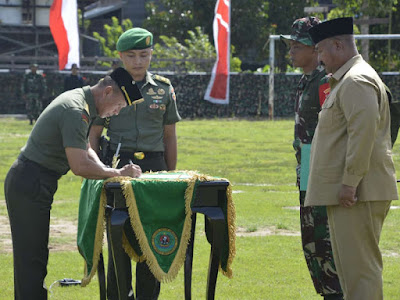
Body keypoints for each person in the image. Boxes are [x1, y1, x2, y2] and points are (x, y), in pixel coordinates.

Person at [5, 67, 143, 300]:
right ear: (108, 92)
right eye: (118, 106)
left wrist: (109, 170)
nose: (116, 113)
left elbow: (87, 149)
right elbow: (79, 165)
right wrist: (116, 172)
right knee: (31, 260)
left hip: (35, 181)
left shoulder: (83, 103)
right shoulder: (76, 109)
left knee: (35, 257)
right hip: (30, 182)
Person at [305, 17, 398, 300]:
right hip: (353, 191)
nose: (319, 58)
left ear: (338, 45)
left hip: (358, 192)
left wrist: (349, 182)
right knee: (350, 273)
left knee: (361, 274)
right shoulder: (347, 79)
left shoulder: (356, 80)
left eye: (321, 50)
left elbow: (363, 133)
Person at [89, 27, 181, 300]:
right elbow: (93, 134)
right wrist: (97, 171)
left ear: (152, 54)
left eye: (144, 54)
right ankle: (119, 295)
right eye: (131, 55)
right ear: (120, 56)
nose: (138, 61)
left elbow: (170, 135)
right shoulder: (109, 87)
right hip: (119, 162)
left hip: (154, 165)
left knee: (151, 236)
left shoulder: (163, 88)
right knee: (119, 235)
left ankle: (147, 296)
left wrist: (171, 176)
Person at [280, 17, 343, 300]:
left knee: (324, 240)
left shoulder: (325, 82)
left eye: (297, 45)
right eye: (291, 45)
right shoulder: (307, 81)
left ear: (315, 49)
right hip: (307, 166)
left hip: (321, 169)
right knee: (311, 241)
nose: (291, 51)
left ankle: (335, 294)